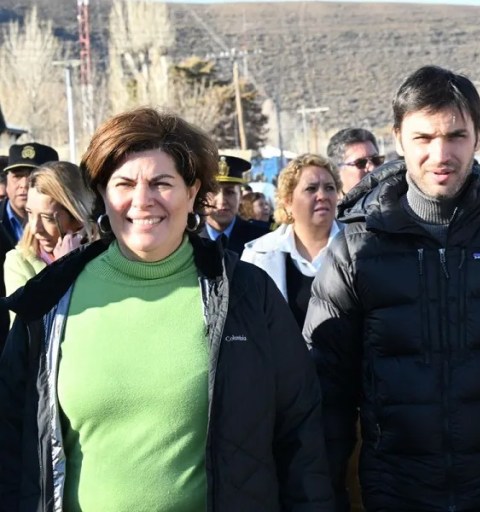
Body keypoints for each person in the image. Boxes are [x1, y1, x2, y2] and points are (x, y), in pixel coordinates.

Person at [0, 107, 333, 510]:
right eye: (123, 183)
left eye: (162, 183)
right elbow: (13, 444)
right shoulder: (49, 301)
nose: (143, 201)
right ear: (102, 193)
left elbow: (300, 436)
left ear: (193, 191)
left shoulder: (248, 295)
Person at [306, 65, 480, 512]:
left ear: (478, 137)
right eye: (424, 138)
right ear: (399, 138)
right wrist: (326, 495)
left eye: (456, 136)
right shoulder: (357, 248)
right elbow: (325, 389)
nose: (440, 153)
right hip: (395, 492)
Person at [242, 153, 341, 326]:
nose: (322, 195)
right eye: (311, 188)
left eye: (330, 188)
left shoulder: (359, 246)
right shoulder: (258, 255)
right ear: (288, 200)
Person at [4, 161, 97, 299]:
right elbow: (28, 318)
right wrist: (63, 270)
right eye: (29, 212)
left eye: (48, 218)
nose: (35, 228)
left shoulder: (106, 255)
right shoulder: (19, 261)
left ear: (78, 219)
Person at [0, 143, 59, 348]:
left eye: (34, 176)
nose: (24, 184)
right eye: (17, 175)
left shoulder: (80, 237)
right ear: (6, 181)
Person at [199, 154, 269, 253]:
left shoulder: (260, 239)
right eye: (213, 191)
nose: (222, 200)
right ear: (201, 195)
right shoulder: (186, 239)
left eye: (229, 192)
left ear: (240, 196)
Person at [326, 128, 384, 194]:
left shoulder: (395, 200)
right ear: (337, 171)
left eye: (375, 160)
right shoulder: (328, 203)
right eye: (361, 163)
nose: (372, 168)